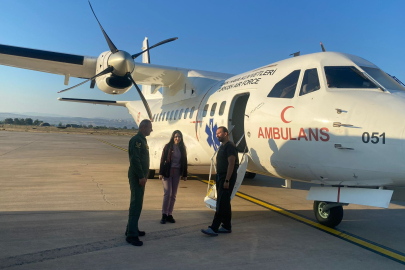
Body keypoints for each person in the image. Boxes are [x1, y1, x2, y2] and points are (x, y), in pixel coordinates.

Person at [201, 126, 239, 236]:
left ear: (226, 134)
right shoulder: (223, 146)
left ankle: (214, 228)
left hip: (226, 177)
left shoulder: (230, 147)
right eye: (216, 133)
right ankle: (227, 226)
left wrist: (227, 180)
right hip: (220, 177)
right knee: (225, 203)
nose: (217, 135)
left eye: (219, 133)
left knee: (221, 203)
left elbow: (231, 164)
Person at [125, 119, 153, 246]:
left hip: (140, 176)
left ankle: (132, 229)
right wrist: (141, 176)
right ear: (143, 127)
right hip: (137, 176)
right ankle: (131, 235)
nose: (151, 130)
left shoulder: (142, 139)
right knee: (136, 204)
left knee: (137, 204)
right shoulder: (137, 140)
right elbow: (135, 159)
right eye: (149, 128)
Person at [159, 130, 188, 224]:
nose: (177, 138)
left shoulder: (182, 148)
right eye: (176, 136)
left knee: (173, 195)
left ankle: (169, 214)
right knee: (167, 193)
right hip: (168, 172)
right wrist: (160, 172)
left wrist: (185, 174)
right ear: (173, 137)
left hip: (177, 172)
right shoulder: (168, 147)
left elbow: (185, 161)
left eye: (179, 137)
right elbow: (162, 159)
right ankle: (164, 214)